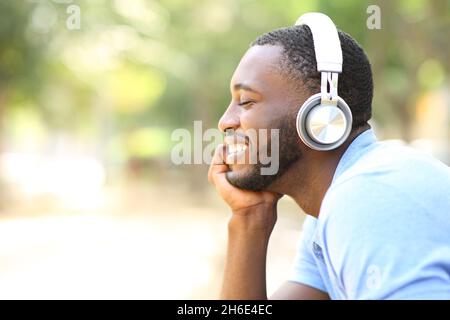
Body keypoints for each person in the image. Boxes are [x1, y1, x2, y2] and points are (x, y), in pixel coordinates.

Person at [208, 13, 450, 300]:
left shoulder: (369, 196)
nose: (225, 121)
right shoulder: (329, 211)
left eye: (246, 101)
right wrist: (249, 220)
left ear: (320, 114)